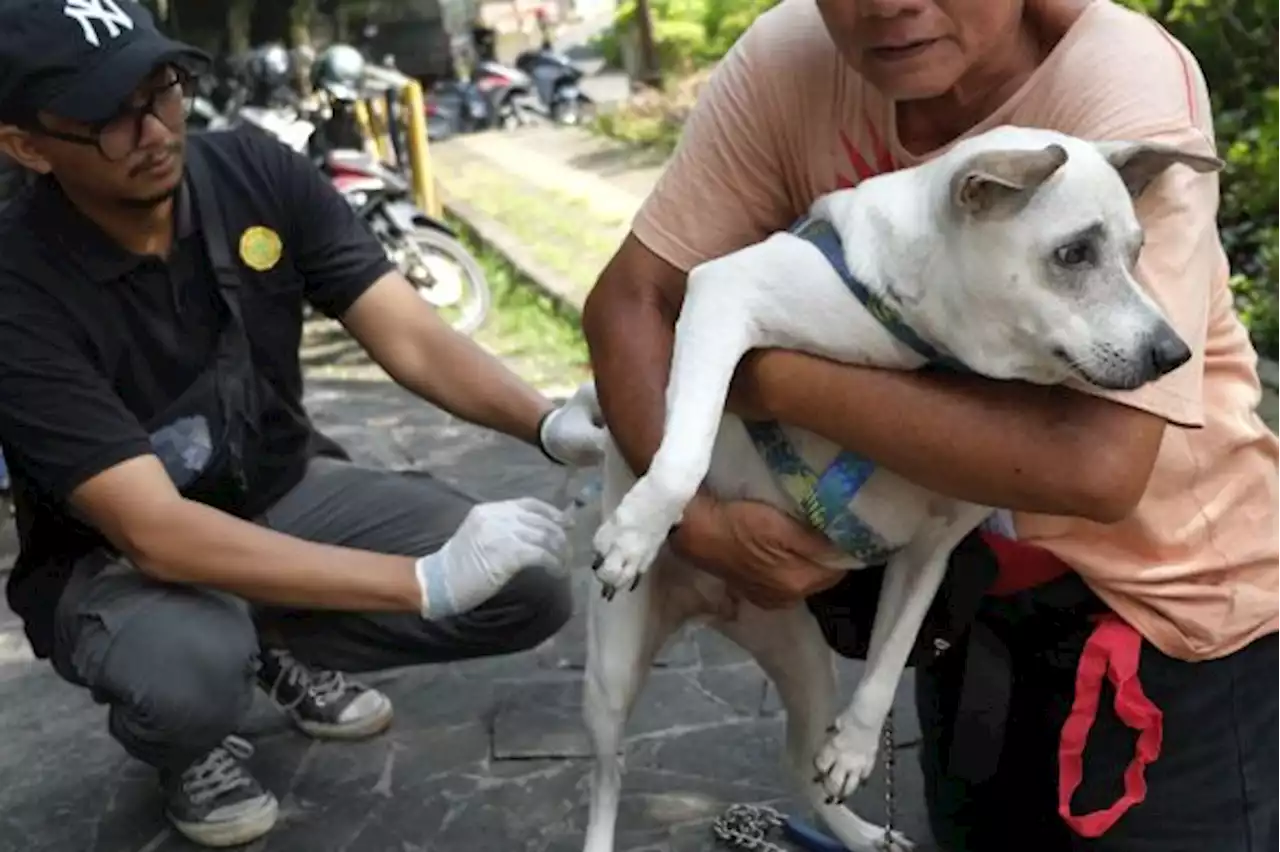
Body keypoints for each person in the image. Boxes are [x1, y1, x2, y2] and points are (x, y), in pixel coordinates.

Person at [583, 0, 1280, 850]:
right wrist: (693, 522)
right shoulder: (792, 57)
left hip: (1172, 619)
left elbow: (1093, 467)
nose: (888, 5)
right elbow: (632, 299)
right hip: (966, 607)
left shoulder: (1120, 77)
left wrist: (765, 374)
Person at [0, 0, 602, 847]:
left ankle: (269, 635)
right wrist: (421, 584)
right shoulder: (17, 291)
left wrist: (544, 424)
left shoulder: (253, 170)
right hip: (119, 563)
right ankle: (195, 729)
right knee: (189, 676)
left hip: (277, 487)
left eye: (162, 90)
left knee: (529, 586)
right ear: (26, 144)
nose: (154, 130)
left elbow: (411, 336)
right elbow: (155, 532)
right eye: (109, 118)